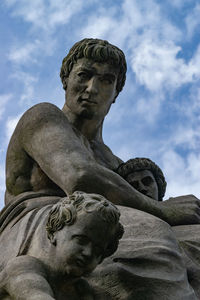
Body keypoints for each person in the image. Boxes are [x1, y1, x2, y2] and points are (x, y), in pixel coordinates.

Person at [1, 38, 200, 299]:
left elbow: (138, 198)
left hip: (98, 224)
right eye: (84, 75)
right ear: (66, 79)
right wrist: (167, 211)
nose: (91, 88)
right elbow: (79, 177)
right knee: (152, 236)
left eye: (106, 81)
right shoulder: (43, 117)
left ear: (116, 93)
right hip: (43, 226)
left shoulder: (114, 162)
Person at [0, 191, 124, 300]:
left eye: (98, 250)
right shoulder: (23, 267)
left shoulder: (81, 290)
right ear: (54, 232)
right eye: (81, 240)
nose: (88, 253)